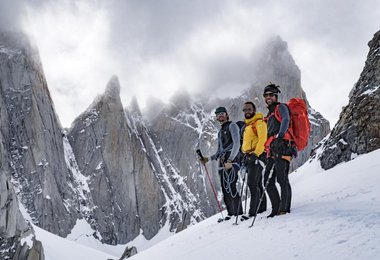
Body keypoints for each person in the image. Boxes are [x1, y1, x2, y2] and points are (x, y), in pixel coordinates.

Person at [200, 106, 243, 220]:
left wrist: (231, 159)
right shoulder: (220, 132)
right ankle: (231, 213)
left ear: (226, 114)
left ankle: (238, 212)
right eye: (218, 114)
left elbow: (237, 143)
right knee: (225, 188)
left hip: (231, 160)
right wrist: (208, 158)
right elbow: (219, 151)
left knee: (232, 185)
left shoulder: (232, 126)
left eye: (222, 113)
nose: (220, 116)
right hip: (222, 162)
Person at [263, 83, 293, 217]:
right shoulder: (269, 114)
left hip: (283, 147)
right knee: (267, 181)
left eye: (271, 95)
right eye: (266, 95)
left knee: (282, 179)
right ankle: (276, 208)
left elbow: (286, 119)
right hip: (272, 149)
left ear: (275, 96)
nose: (268, 97)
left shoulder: (281, 107)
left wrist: (280, 137)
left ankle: (284, 208)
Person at [240, 101, 268, 220]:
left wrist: (255, 154)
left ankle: (252, 211)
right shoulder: (247, 125)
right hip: (249, 156)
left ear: (254, 110)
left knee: (252, 183)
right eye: (245, 110)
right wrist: (245, 154)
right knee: (257, 183)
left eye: (249, 109)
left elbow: (263, 139)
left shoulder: (259, 122)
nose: (247, 112)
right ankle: (262, 207)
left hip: (257, 156)